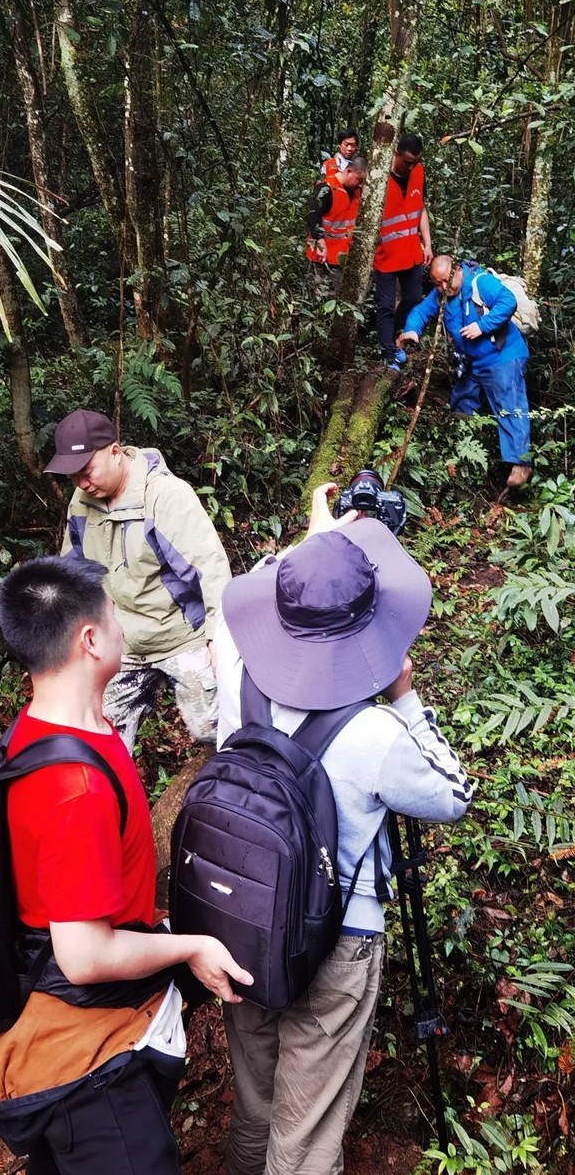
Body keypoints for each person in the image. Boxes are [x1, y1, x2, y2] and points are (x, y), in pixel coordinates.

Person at [214, 484, 473, 1175]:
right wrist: (406, 695)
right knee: (304, 1131)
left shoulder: (236, 674)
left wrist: (316, 539)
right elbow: (454, 795)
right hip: (337, 936)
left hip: (243, 917)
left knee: (254, 1101)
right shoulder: (377, 733)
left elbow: (257, 589)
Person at [0, 555, 253, 1174]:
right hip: (84, 1064)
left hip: (70, 1020)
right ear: (90, 639)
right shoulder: (73, 785)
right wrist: (190, 946)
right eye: (113, 613)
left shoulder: (50, 730)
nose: (123, 625)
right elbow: (84, 955)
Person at [44, 409, 232, 752]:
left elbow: (210, 570)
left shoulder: (165, 496)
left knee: (217, 730)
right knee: (100, 739)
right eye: (73, 477)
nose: (82, 484)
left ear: (115, 452)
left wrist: (218, 638)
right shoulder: (82, 502)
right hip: (122, 642)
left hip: (181, 636)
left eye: (87, 472)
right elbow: (73, 573)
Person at [398, 255, 532, 488]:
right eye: (437, 283)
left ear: (458, 270)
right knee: (461, 402)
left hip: (503, 357)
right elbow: (421, 311)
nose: (443, 287)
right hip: (472, 363)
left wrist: (482, 326)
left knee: (509, 406)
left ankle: (521, 463)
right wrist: (412, 329)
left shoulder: (481, 283)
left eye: (446, 280)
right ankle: (464, 456)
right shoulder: (441, 294)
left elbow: (507, 301)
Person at [374, 134, 433, 372]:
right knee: (386, 306)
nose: (411, 167)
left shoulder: (419, 172)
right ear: (396, 153)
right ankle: (387, 352)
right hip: (386, 255)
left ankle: (390, 334)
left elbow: (420, 209)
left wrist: (427, 243)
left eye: (415, 162)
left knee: (413, 298)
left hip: (412, 252)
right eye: (407, 162)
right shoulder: (379, 177)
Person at [307, 157, 367, 296]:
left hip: (343, 256)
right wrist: (320, 241)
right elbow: (313, 215)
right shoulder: (326, 188)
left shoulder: (356, 191)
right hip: (322, 257)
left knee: (340, 296)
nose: (360, 185)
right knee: (319, 295)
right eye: (359, 180)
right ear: (349, 171)